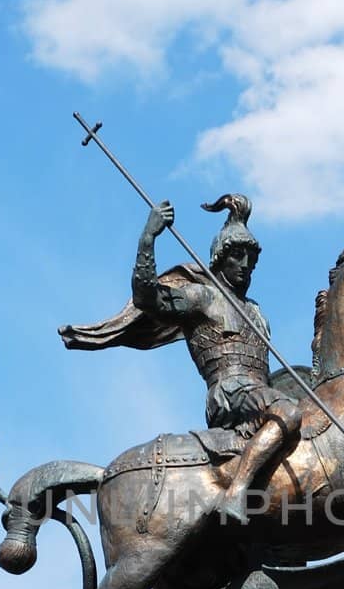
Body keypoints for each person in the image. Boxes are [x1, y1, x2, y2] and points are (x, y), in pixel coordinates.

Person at [59, 194, 302, 522]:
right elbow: (148, 298)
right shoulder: (203, 297)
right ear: (219, 259)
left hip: (259, 393)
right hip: (230, 393)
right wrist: (149, 237)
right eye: (237, 256)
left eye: (251, 260)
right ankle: (236, 493)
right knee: (287, 411)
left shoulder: (256, 311)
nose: (245, 266)